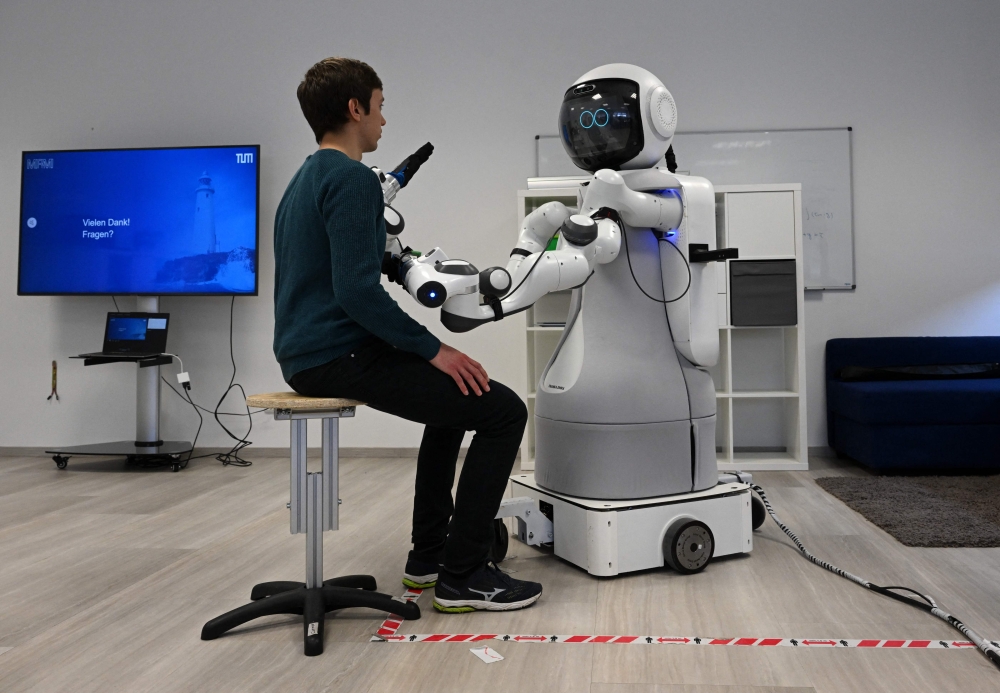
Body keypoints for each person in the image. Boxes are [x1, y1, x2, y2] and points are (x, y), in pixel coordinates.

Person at [272, 57, 541, 613]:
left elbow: (354, 271)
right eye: (380, 106)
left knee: (454, 408)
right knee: (503, 411)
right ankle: (464, 575)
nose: (383, 121)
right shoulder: (349, 179)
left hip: (306, 351)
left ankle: (429, 560)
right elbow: (356, 293)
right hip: (336, 352)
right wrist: (436, 349)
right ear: (355, 109)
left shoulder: (304, 179)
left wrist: (401, 266)